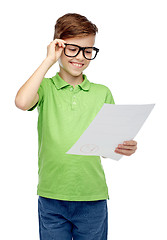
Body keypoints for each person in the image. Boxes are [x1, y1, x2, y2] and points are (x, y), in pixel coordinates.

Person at [15, 13, 137, 240]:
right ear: (58, 47)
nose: (80, 57)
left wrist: (124, 147)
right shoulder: (45, 88)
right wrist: (48, 60)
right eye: (72, 49)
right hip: (52, 197)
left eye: (88, 50)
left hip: (92, 198)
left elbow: (108, 147)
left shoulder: (102, 92)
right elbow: (22, 102)